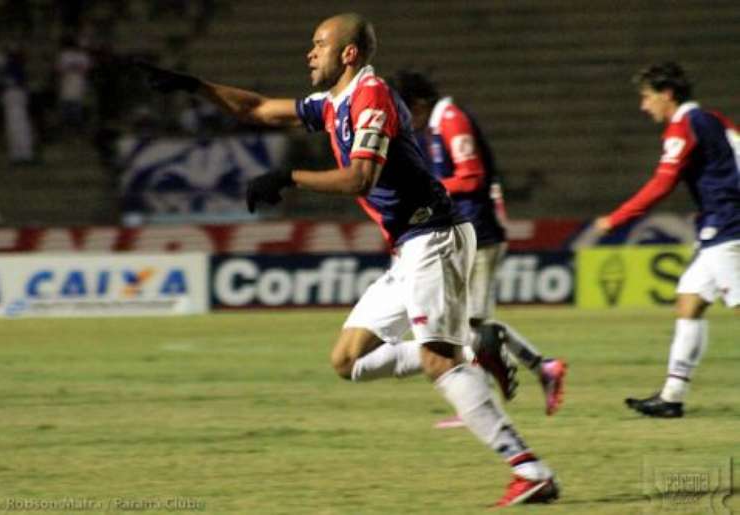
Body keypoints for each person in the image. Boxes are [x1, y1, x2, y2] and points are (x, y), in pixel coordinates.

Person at [136, 13, 559, 506]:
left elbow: (361, 178)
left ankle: (529, 470)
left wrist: (287, 177)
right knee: (347, 360)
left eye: (319, 44)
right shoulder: (334, 102)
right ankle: (471, 349)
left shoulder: (371, 97)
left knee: (434, 360)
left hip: (434, 236)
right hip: (410, 247)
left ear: (349, 53)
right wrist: (193, 85)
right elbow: (258, 109)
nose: (309, 53)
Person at [380, 71, 567, 428]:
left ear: (416, 104)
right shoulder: (433, 127)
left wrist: (427, 188)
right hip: (461, 237)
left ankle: (519, 381)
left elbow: (472, 176)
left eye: (402, 110)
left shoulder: (451, 120)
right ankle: (541, 369)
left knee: (468, 327)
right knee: (469, 325)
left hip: (478, 235)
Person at [594, 62, 740, 418]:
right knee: (689, 300)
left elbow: (662, 183)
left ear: (667, 95)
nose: (644, 106)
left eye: (647, 97)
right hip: (718, 222)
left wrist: (617, 218)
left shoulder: (683, 125)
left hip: (728, 225)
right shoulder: (714, 119)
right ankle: (672, 396)